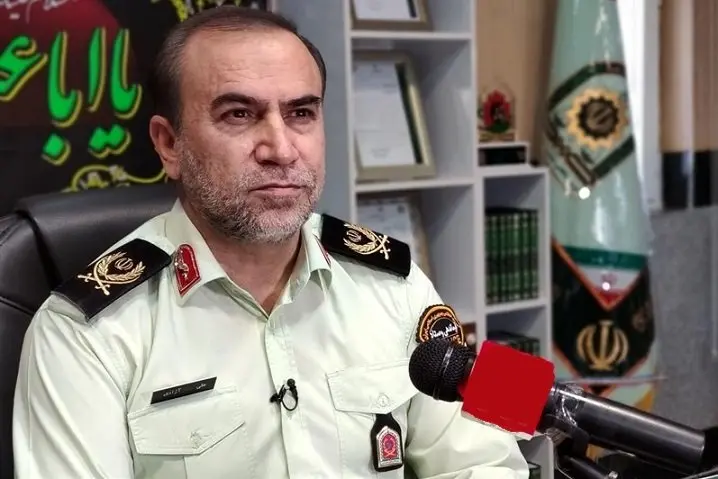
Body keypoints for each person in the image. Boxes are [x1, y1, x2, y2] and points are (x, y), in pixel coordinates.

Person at [13, 6, 529, 479]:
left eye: (302, 113)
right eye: (239, 114)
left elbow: (488, 463)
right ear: (169, 145)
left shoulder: (398, 285)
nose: (281, 149)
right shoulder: (84, 333)